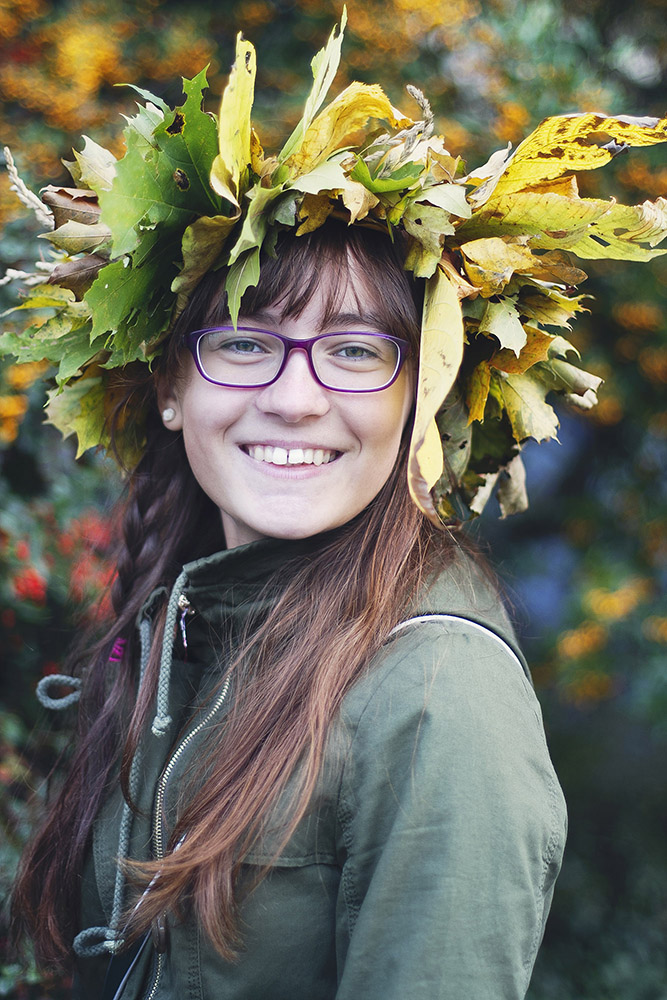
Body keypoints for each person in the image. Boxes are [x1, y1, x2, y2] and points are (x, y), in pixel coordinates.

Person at [6, 15, 664, 1000]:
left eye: (357, 351)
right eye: (242, 340)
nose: (296, 395)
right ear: (169, 385)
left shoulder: (439, 700)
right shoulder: (191, 624)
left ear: (420, 401)